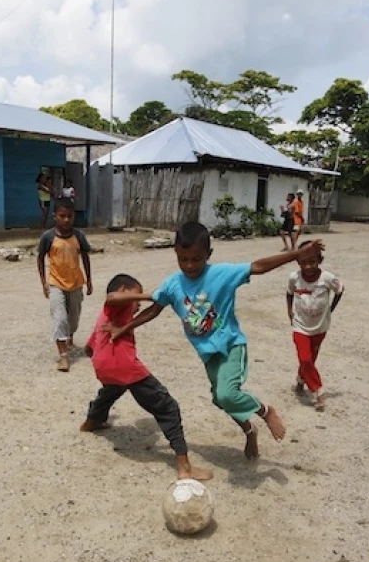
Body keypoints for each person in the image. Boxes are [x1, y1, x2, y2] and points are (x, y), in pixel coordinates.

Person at [106, 221, 324, 460]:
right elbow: (153, 310)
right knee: (221, 400)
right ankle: (249, 430)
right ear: (176, 253)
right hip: (209, 355)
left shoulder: (221, 274)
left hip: (231, 346)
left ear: (208, 254)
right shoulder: (173, 284)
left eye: (196, 259)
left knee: (227, 394)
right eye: (183, 259)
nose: (189, 265)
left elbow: (258, 266)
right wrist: (123, 328)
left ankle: (265, 411)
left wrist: (296, 254)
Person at [80, 274, 213, 481]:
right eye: (136, 298)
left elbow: (89, 348)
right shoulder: (116, 306)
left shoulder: (104, 317)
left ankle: (91, 422)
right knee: (168, 408)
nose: (138, 305)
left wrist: (102, 360)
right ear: (124, 291)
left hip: (104, 367)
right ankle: (185, 467)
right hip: (124, 366)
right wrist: (151, 296)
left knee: (111, 390)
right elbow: (112, 297)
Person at [286, 240, 344, 411]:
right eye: (303, 262)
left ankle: (300, 380)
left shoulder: (328, 278)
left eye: (312, 262)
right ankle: (318, 391)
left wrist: (331, 309)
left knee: (310, 359)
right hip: (300, 326)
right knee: (305, 358)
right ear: (298, 262)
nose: (308, 266)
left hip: (319, 327)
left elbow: (340, 290)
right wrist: (289, 311)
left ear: (320, 260)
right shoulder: (294, 278)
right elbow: (289, 293)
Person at [37, 198, 93, 372]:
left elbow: (85, 257)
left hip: (76, 283)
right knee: (60, 318)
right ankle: (63, 356)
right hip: (55, 283)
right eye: (62, 216)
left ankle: (69, 337)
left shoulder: (79, 236)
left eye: (70, 216)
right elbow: (40, 258)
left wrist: (89, 280)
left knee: (73, 318)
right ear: (55, 216)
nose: (66, 219)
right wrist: (44, 282)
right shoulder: (48, 237)